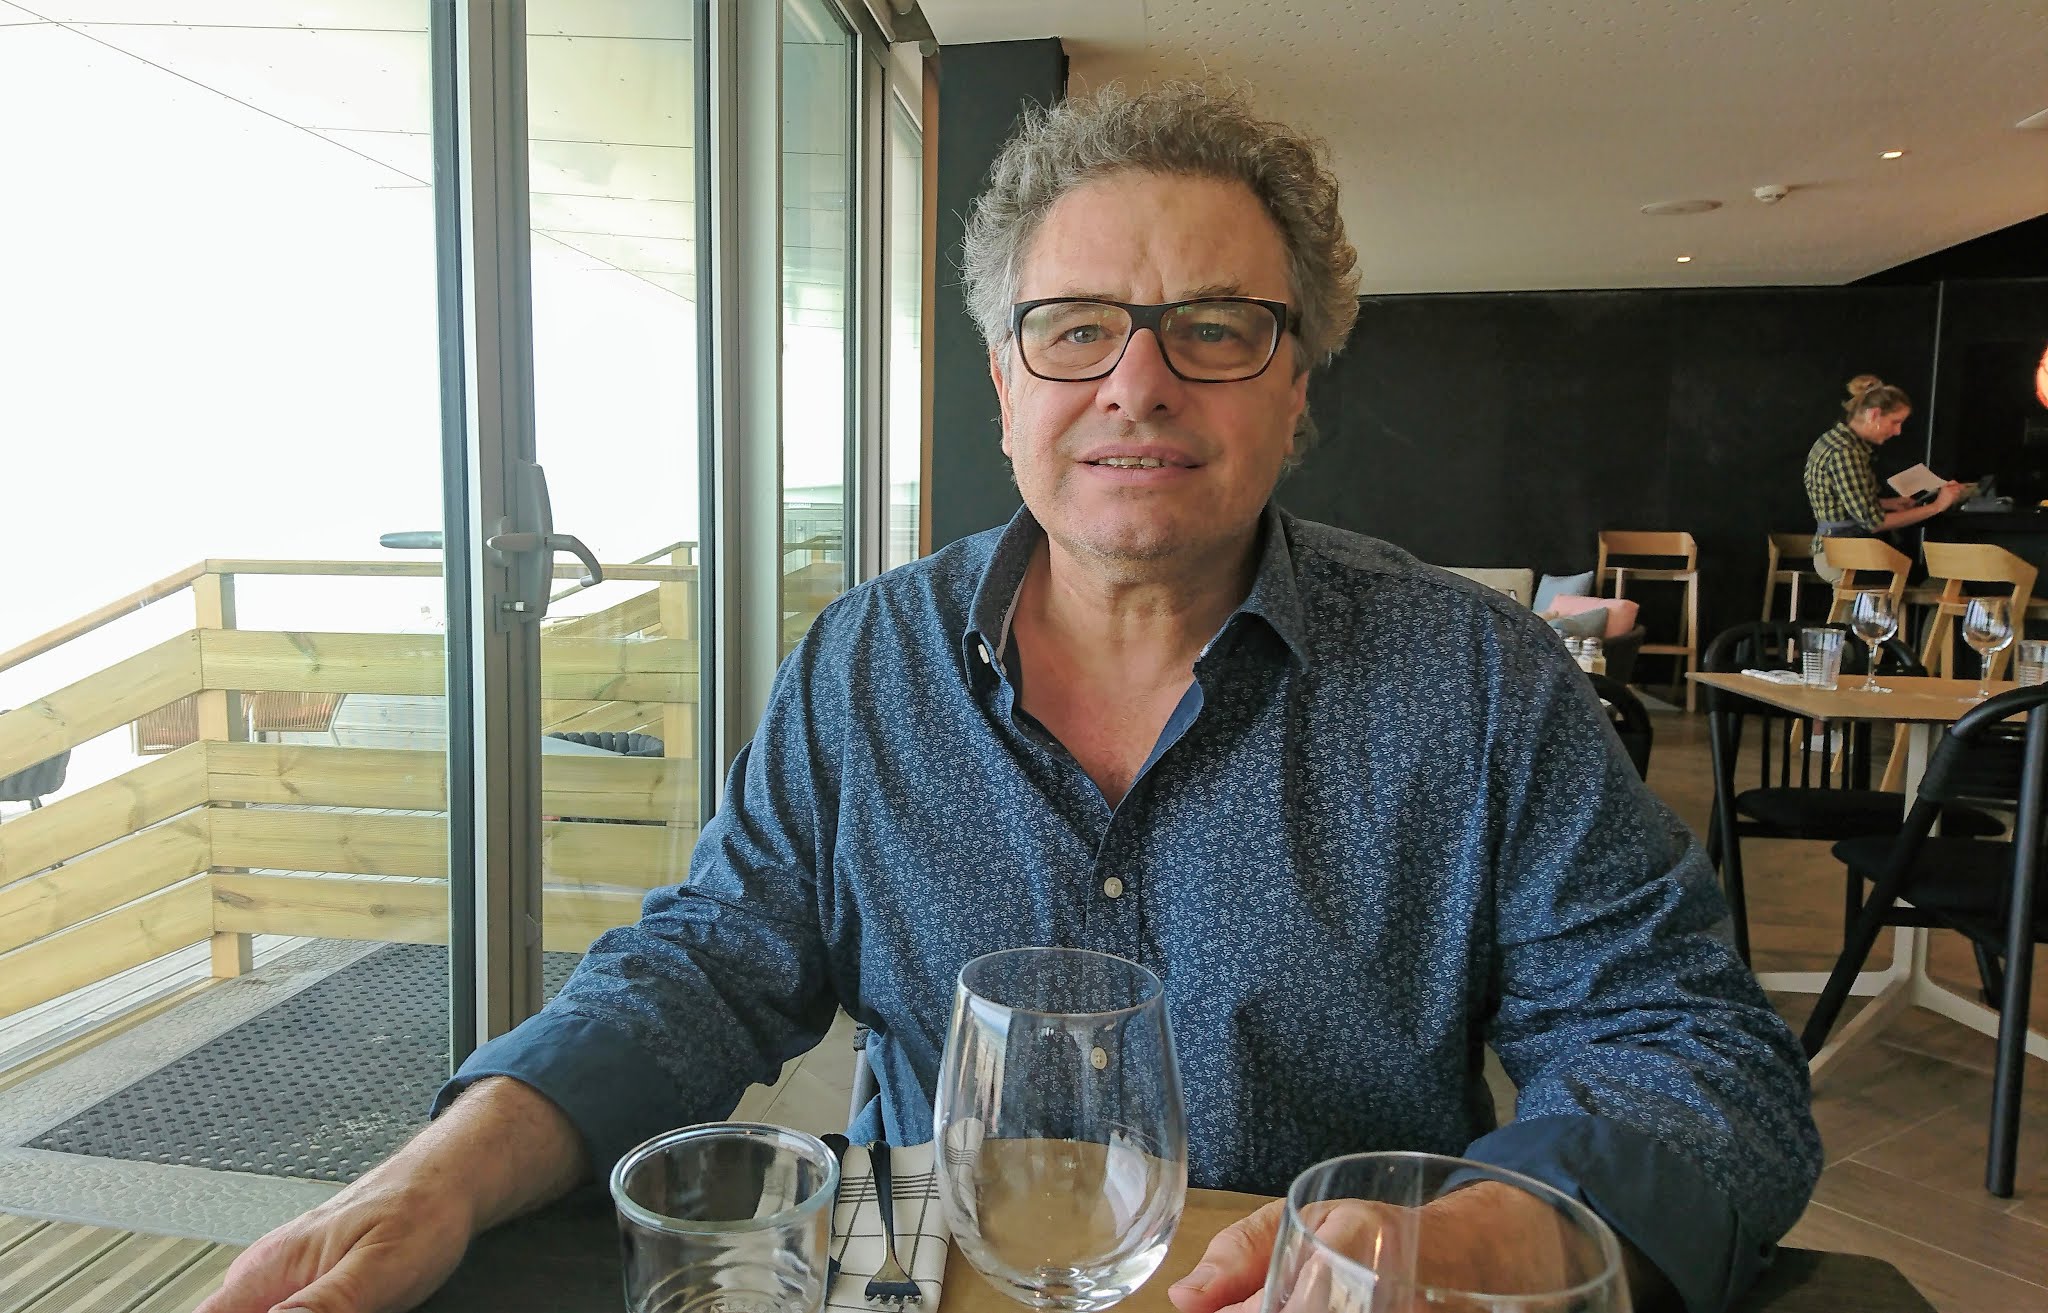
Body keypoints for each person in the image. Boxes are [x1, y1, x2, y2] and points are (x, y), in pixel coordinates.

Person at [199, 83, 1818, 1313]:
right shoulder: (864, 660)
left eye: (1213, 329)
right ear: (1001, 383)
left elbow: (1690, 1051)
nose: (1137, 383)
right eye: (1075, 329)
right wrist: (441, 1169)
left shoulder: (1477, 680)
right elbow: (703, 964)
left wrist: (1478, 1238)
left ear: (1296, 386)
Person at [1803, 373, 1963, 580]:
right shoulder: (1846, 452)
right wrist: (1937, 506)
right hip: (1846, 556)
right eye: (1895, 422)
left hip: (1838, 552)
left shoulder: (1835, 440)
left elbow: (1842, 502)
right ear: (1874, 415)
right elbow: (1874, 522)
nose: (1898, 431)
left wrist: (1888, 503)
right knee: (1936, 581)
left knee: (1924, 578)